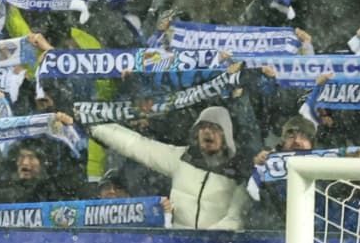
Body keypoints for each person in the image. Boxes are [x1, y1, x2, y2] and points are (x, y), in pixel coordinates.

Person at [82, 85, 259, 230]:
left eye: (214, 128)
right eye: (203, 127)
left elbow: (234, 218)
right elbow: (137, 145)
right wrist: (92, 126)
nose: (207, 131)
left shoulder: (239, 171)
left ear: (226, 134)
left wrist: (205, 242)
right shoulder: (181, 158)